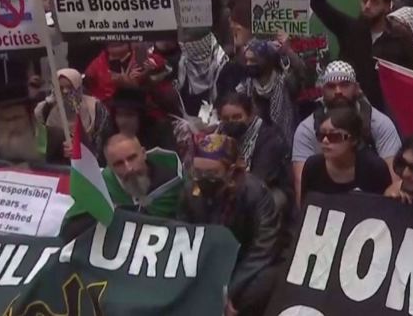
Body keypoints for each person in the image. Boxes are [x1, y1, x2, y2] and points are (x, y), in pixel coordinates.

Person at [177, 133, 288, 316]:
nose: (204, 179)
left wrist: (229, 290)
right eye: (198, 173)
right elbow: (183, 238)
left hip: (245, 264)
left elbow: (263, 249)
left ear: (232, 170)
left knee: (265, 281)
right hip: (207, 263)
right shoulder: (190, 191)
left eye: (212, 173)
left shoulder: (256, 193)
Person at [291, 62, 401, 204]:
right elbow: (303, 194)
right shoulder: (306, 130)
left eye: (344, 85)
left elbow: (394, 185)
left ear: (356, 88)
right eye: (331, 86)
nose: (338, 91)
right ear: (322, 91)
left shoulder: (380, 124)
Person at [310, 0, 413, 108]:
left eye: (374, 2)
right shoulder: (349, 29)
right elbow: (318, 4)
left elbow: (410, 78)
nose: (367, 6)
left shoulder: (400, 37)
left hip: (387, 109)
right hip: (349, 109)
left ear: (387, 6)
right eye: (364, 0)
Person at [62, 134, 183, 238]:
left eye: (132, 158)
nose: (129, 168)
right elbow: (71, 229)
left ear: (143, 153)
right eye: (119, 164)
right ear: (109, 166)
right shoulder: (104, 187)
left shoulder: (175, 179)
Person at [300, 106, 392, 200]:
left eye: (334, 136)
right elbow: (306, 208)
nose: (325, 141)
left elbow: (384, 209)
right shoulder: (312, 167)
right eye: (321, 135)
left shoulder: (374, 168)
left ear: (354, 139)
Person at [216, 93, 291, 204]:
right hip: (230, 185)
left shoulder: (270, 139)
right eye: (226, 119)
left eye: (237, 117)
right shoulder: (220, 135)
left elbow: (260, 179)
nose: (231, 122)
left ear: (250, 115)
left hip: (270, 189)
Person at [35, 68, 113, 152]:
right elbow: (43, 144)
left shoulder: (95, 107)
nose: (65, 91)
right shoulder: (44, 109)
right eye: (61, 88)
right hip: (59, 160)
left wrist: (83, 147)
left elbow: (105, 140)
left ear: (78, 87)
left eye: (70, 87)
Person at [235, 39, 297, 144]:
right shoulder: (247, 84)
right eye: (247, 60)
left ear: (267, 61)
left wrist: (289, 51)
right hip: (256, 139)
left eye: (254, 60)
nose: (249, 64)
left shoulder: (285, 82)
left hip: (284, 138)